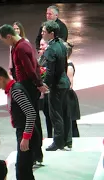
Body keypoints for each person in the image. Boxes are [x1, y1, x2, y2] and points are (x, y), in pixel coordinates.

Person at [0, 24, 46, 164]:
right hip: (28, 86)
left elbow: (30, 69)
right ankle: (36, 154)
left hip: (27, 87)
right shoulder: (23, 45)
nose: (4, 43)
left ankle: (34, 154)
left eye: (3, 40)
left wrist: (38, 84)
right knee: (33, 121)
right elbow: (34, 65)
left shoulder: (20, 48)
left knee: (30, 120)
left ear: (9, 36)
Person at [0, 65, 39, 180]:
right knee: (24, 170)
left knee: (22, 170)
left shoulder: (16, 91)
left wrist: (26, 137)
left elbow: (31, 113)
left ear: (0, 78)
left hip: (26, 133)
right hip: (24, 131)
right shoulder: (14, 89)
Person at [40, 21, 71, 151]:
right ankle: (67, 140)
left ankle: (58, 142)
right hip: (64, 82)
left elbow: (50, 71)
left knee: (56, 114)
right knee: (65, 112)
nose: (42, 33)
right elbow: (64, 65)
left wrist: (45, 84)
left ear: (51, 33)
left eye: (44, 31)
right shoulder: (62, 45)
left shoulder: (51, 49)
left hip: (57, 85)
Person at [63, 41, 81, 137]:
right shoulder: (65, 64)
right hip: (65, 96)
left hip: (69, 97)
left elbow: (69, 85)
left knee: (71, 123)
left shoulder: (69, 66)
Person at [38, 39, 53, 138]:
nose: (40, 47)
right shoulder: (42, 57)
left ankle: (52, 135)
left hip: (49, 91)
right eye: (40, 45)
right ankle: (50, 135)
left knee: (50, 115)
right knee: (47, 115)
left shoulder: (49, 57)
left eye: (42, 45)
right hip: (44, 91)